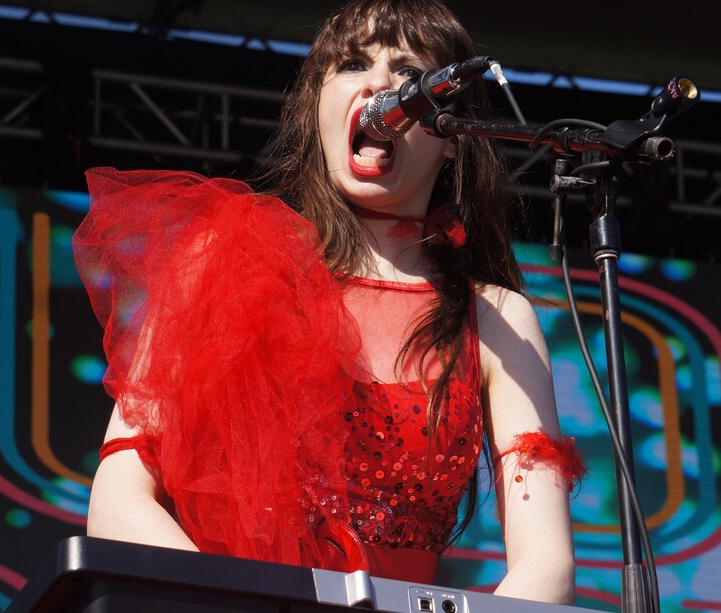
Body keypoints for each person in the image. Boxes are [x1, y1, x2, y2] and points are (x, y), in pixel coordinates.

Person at [74, 0, 585, 604]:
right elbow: (118, 499)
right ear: (317, 104)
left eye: (407, 75)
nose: (377, 86)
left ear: (452, 137)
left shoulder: (496, 318)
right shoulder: (218, 261)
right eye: (351, 64)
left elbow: (545, 564)